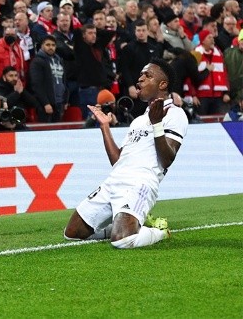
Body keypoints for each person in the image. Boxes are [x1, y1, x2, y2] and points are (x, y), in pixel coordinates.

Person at [64, 58, 187, 249]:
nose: (140, 79)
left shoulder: (175, 114)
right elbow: (118, 160)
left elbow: (167, 159)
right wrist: (104, 126)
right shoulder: (138, 120)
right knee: (72, 234)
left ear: (163, 84)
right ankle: (120, 224)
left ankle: (159, 232)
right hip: (113, 182)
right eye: (140, 75)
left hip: (140, 183)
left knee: (123, 240)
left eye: (147, 75)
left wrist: (157, 125)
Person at [29, 35, 67, 122]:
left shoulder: (59, 60)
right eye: (48, 45)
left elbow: (64, 81)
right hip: (46, 105)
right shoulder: (37, 62)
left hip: (59, 102)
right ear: (42, 46)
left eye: (53, 45)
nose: (51, 47)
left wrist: (65, 99)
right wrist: (45, 103)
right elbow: (36, 85)